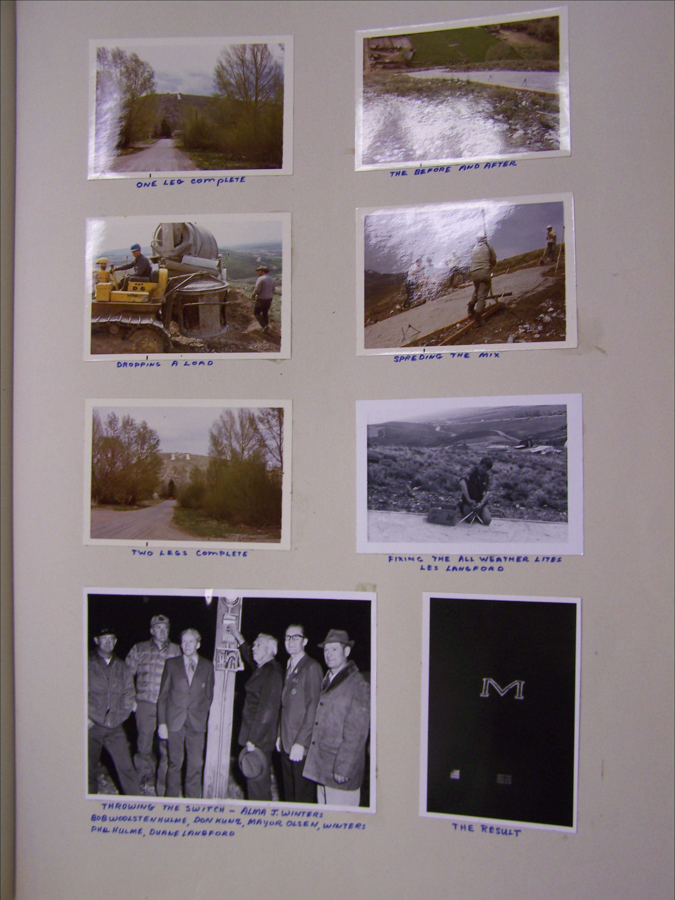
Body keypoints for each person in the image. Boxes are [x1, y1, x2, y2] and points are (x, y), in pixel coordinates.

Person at [303, 629, 370, 807]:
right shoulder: (329, 680)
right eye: (326, 650)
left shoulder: (358, 684)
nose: (328, 654)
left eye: (334, 649)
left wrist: (344, 767)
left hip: (340, 772)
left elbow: (357, 733)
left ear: (346, 651)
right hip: (323, 769)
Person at [125, 614, 181, 795]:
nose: (162, 631)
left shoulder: (177, 650)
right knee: (143, 744)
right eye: (158, 628)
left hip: (168, 706)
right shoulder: (139, 649)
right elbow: (126, 676)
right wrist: (132, 700)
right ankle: (142, 779)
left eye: (165, 628)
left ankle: (162, 785)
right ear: (151, 630)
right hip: (145, 704)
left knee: (166, 746)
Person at [157, 628, 214, 798]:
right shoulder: (171, 664)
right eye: (184, 641)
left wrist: (201, 715)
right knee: (175, 763)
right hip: (175, 722)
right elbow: (163, 697)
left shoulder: (207, 666)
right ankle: (171, 802)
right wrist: (162, 723)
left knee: (196, 765)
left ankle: (193, 803)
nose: (187, 645)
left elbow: (209, 696)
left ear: (198, 643)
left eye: (191, 641)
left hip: (196, 724)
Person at [228, 626, 283, 800]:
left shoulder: (272, 673)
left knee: (258, 787)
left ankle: (259, 822)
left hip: (258, 740)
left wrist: (253, 739)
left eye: (257, 645)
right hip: (255, 738)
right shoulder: (263, 668)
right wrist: (239, 638)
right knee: (255, 785)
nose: (253, 647)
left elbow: (267, 711)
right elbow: (249, 656)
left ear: (268, 650)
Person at [88, 625, 141, 796]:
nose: (108, 642)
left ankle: (136, 806)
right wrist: (85, 716)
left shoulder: (122, 667)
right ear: (96, 640)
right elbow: (77, 691)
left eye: (112, 639)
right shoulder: (86, 663)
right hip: (91, 725)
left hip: (114, 727)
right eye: (104, 639)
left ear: (116, 642)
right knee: (88, 770)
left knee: (127, 768)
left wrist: (121, 717)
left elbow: (129, 694)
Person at [276, 624, 323, 803]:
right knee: (289, 795)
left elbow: (314, 708)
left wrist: (301, 743)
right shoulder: (289, 666)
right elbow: (286, 706)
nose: (290, 642)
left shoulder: (311, 667)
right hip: (287, 742)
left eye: (296, 637)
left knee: (302, 797)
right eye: (287, 638)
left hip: (299, 746)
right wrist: (280, 735)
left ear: (305, 641)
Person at [468, 234, 497, 322]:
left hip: (474, 273)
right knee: (482, 295)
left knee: (477, 290)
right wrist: (491, 267)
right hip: (484, 272)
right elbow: (493, 260)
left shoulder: (474, 249)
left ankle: (470, 310)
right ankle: (478, 318)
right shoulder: (488, 247)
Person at [458, 457, 494, 525]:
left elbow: (488, 491)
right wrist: (469, 500)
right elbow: (462, 483)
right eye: (483, 467)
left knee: (487, 521)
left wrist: (481, 503)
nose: (484, 470)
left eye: (486, 469)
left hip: (479, 502)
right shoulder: (471, 470)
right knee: (470, 519)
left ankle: (478, 512)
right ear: (479, 464)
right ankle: (462, 507)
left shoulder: (487, 476)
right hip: (468, 501)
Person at [252, 264, 275, 332]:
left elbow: (257, 290)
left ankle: (264, 326)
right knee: (265, 313)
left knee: (256, 313)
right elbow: (273, 290)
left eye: (259, 271)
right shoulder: (272, 279)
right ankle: (266, 326)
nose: (258, 272)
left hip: (261, 299)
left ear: (262, 271)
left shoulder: (260, 279)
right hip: (269, 299)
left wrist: (253, 296)